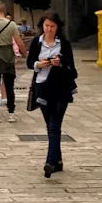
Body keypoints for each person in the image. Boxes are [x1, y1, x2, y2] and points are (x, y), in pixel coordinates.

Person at [26, 13, 77, 178]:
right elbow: (29, 63)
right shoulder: (36, 42)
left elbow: (72, 67)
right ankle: (58, 160)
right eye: (46, 26)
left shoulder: (64, 44)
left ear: (57, 28)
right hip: (42, 87)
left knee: (54, 125)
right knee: (50, 125)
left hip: (61, 87)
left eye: (52, 27)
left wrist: (59, 62)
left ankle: (50, 163)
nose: (49, 29)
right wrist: (40, 64)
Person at [0, 1, 27, 123]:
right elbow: (18, 42)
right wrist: (26, 54)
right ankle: (11, 113)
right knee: (9, 86)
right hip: (8, 55)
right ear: (4, 10)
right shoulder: (12, 24)